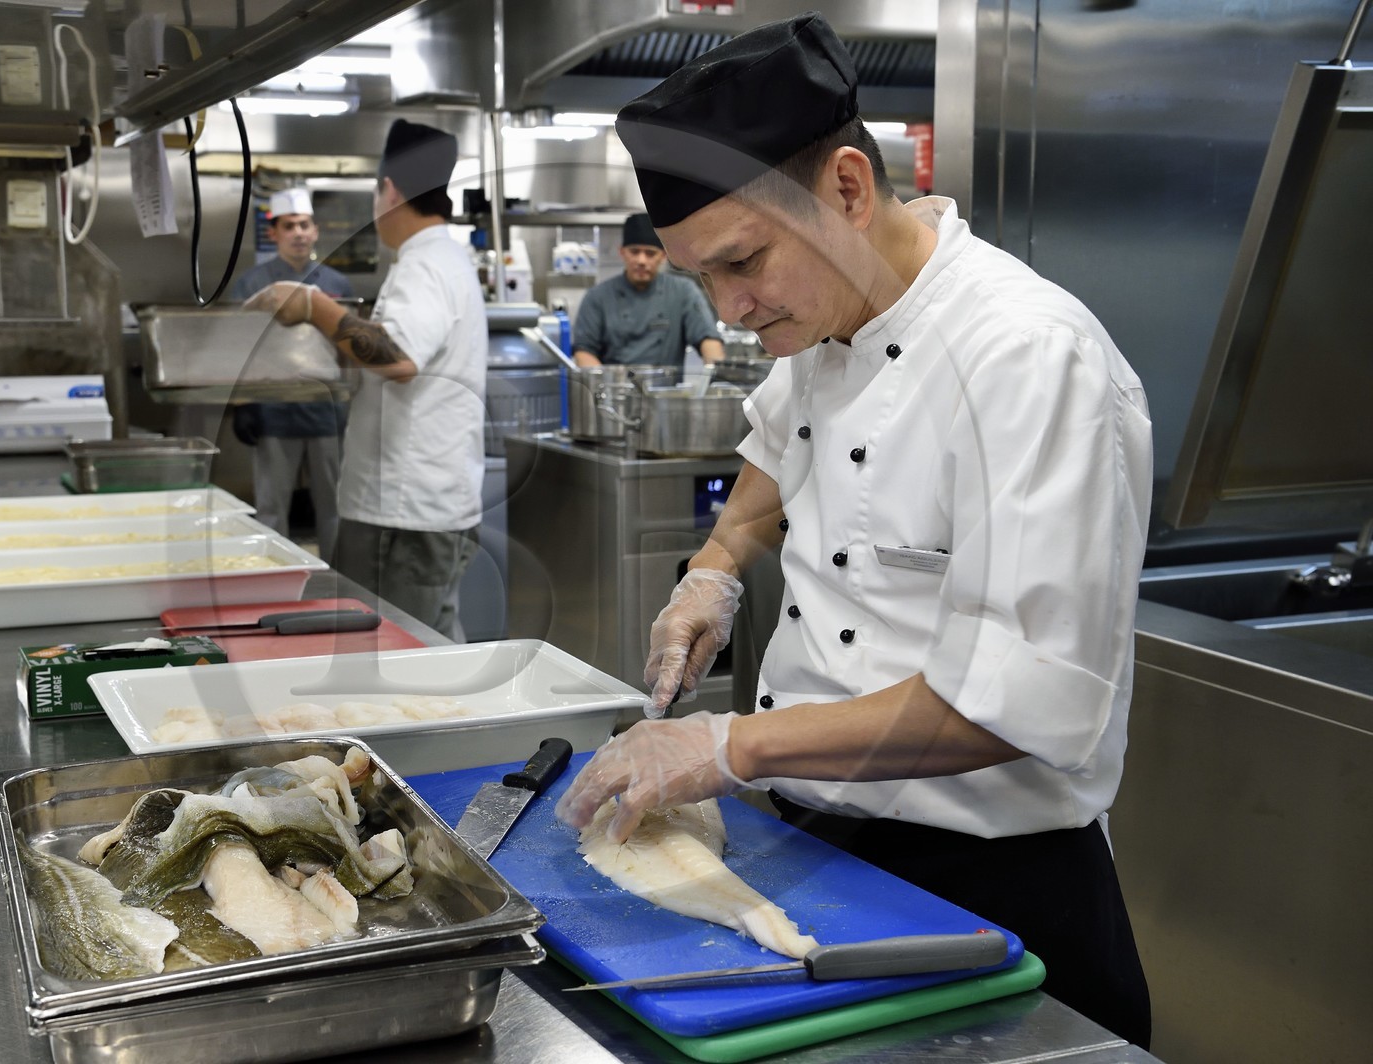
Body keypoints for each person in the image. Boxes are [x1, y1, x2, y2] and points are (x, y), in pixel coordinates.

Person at [552, 13, 1155, 1049]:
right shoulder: (828, 316)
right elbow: (775, 449)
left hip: (990, 895)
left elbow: (1016, 703)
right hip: (822, 850)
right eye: (703, 278)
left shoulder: (1027, 357)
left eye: (743, 262)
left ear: (844, 187)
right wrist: (715, 563)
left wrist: (723, 744)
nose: (732, 308)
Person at [245, 120, 486, 641]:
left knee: (398, 653)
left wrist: (314, 305)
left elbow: (397, 356)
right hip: (423, 504)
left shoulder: (425, 264)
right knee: (430, 646)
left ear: (390, 190)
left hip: (403, 512)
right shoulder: (445, 258)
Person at [229, 188, 355, 555]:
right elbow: (239, 349)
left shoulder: (336, 285)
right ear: (274, 233)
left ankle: (338, 579)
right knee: (272, 508)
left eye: (304, 225)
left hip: (326, 411)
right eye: (289, 226)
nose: (298, 233)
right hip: (273, 410)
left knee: (334, 507)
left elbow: (346, 351)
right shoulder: (253, 285)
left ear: (315, 231)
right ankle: (276, 575)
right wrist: (242, 405)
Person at [572, 212, 724, 369]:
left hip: (666, 391)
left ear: (664, 256)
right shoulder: (598, 296)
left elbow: (708, 339)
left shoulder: (683, 292)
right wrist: (606, 384)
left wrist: (716, 372)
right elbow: (584, 351)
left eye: (650, 253)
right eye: (634, 252)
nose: (641, 261)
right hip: (615, 388)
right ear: (622, 252)